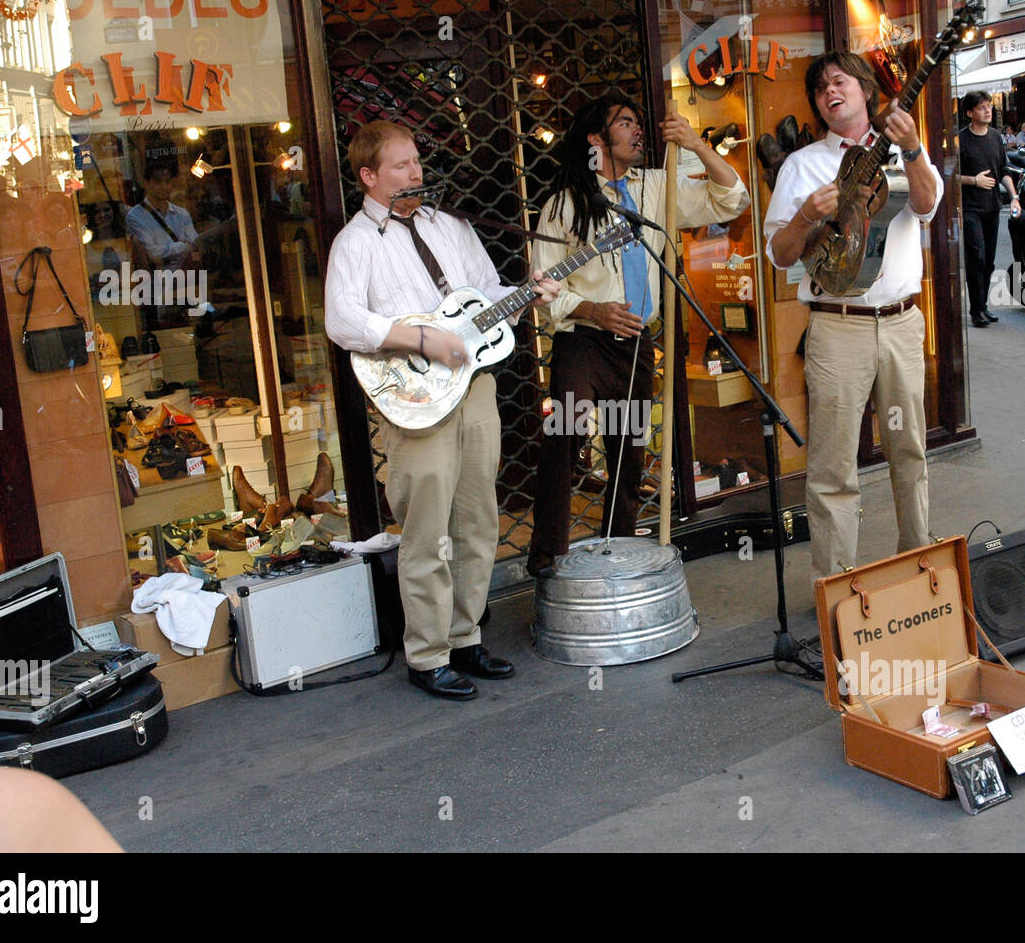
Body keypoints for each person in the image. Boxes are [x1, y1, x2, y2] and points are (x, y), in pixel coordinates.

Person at [324, 120, 561, 700]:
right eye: (401, 166)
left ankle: (465, 637)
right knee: (427, 531)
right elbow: (344, 321)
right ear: (369, 176)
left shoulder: (450, 227)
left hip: (474, 387)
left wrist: (528, 293)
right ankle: (426, 655)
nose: (415, 173)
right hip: (413, 400)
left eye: (416, 163)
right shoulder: (354, 242)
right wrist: (422, 341)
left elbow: (486, 300)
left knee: (479, 520)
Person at [526, 96, 750, 576]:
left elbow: (731, 198)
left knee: (627, 454)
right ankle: (548, 560)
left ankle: (620, 553)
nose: (636, 131)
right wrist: (593, 309)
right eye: (623, 122)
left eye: (637, 123)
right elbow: (542, 288)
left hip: (635, 347)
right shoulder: (564, 205)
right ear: (595, 138)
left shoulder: (654, 187)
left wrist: (695, 144)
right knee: (564, 441)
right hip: (582, 343)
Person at [764, 51, 941, 593]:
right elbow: (779, 253)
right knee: (833, 469)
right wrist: (807, 215)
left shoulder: (904, 149)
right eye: (820, 88)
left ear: (865, 90)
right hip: (837, 325)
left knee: (909, 451)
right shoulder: (803, 164)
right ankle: (837, 594)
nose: (829, 92)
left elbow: (929, 204)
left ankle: (918, 575)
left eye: (839, 82)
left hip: (901, 322)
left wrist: (911, 147)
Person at [958, 90, 1021, 327]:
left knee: (989, 260)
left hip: (993, 206)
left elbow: (1003, 170)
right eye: (982, 107)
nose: (987, 110)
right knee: (977, 257)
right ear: (969, 113)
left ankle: (983, 306)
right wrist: (973, 180)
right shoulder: (960, 140)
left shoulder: (995, 137)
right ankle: (975, 310)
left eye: (989, 106)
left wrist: (1014, 196)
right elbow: (947, 175)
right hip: (970, 206)